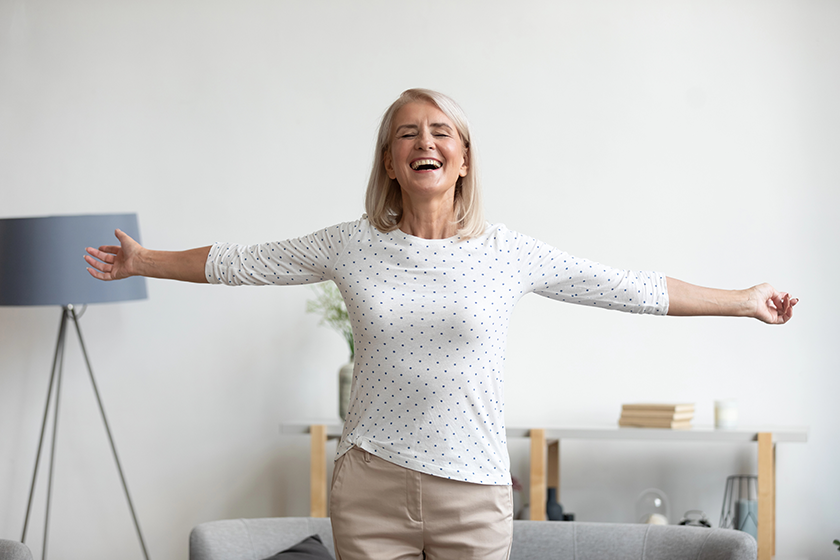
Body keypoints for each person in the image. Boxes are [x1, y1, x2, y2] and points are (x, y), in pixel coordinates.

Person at [85, 88, 797, 560]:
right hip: (370, 486)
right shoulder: (351, 243)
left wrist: (742, 298)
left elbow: (628, 288)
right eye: (406, 135)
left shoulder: (506, 252)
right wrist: (145, 259)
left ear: (461, 158)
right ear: (391, 163)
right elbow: (245, 262)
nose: (424, 143)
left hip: (475, 493)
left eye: (440, 132)